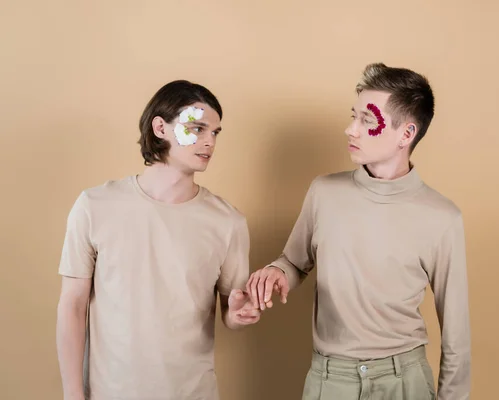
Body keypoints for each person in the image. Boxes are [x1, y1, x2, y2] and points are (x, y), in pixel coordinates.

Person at [246, 63, 471, 400]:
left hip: (405, 382)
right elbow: (293, 263)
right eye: (353, 117)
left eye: (367, 120)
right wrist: (277, 271)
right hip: (330, 380)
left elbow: (456, 333)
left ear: (406, 134)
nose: (350, 130)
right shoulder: (324, 192)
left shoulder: (442, 217)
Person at [56, 80, 260, 400]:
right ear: (161, 127)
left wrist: (238, 314)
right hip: (110, 392)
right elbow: (72, 306)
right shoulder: (95, 206)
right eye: (197, 128)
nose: (210, 141)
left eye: (215, 133)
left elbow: (231, 312)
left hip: (193, 392)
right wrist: (72, 393)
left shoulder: (228, 222)